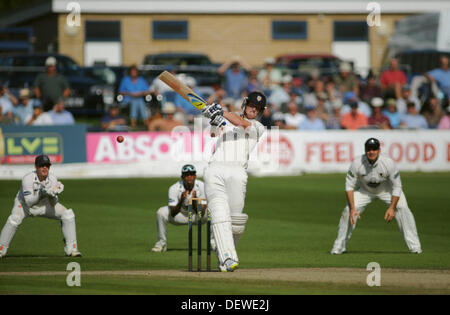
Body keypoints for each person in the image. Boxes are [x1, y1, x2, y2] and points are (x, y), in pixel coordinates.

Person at [200, 91, 267, 272]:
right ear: (245, 104)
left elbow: (240, 123)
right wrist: (214, 120)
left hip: (238, 172)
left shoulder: (259, 127)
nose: (254, 109)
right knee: (220, 213)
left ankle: (218, 244)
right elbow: (214, 135)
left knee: (236, 223)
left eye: (257, 108)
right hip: (216, 169)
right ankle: (228, 258)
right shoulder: (227, 119)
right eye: (251, 105)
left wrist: (220, 112)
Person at [330, 138, 422, 255]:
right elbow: (349, 186)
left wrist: (392, 208)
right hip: (365, 190)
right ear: (365, 150)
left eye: (374, 149)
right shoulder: (357, 163)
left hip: (386, 190)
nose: (371, 152)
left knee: (403, 208)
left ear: (379, 150)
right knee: (348, 211)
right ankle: (338, 247)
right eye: (369, 149)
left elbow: (397, 186)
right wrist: (353, 208)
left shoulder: (388, 163)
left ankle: (415, 248)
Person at [0, 155, 82, 258]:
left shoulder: (52, 178)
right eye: (41, 165)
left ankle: (72, 249)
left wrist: (54, 193)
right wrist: (42, 193)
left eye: (47, 165)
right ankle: (1, 249)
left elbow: (53, 203)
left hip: (45, 205)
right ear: (36, 167)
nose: (44, 168)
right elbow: (29, 202)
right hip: (24, 206)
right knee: (14, 219)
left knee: (68, 214)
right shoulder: (28, 178)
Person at [151, 164, 207, 252]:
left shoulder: (202, 186)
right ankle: (161, 244)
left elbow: (201, 213)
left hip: (196, 216)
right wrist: (181, 200)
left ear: (195, 176)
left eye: (192, 174)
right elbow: (173, 213)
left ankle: (214, 243)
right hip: (180, 215)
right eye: (186, 175)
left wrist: (194, 201)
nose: (189, 177)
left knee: (214, 210)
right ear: (182, 176)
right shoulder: (174, 188)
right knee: (161, 212)